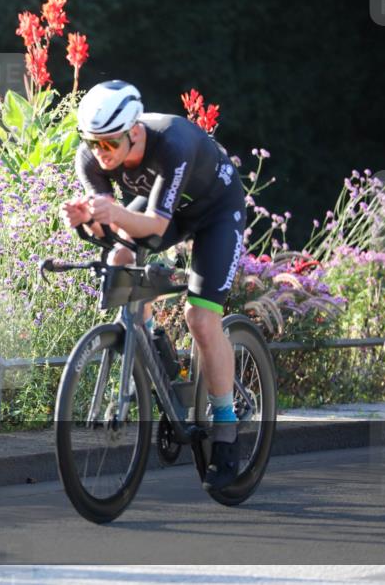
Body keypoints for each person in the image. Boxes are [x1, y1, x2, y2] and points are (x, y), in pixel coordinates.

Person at [59, 79, 247, 492]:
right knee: (120, 257)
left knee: (200, 318)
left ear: (135, 132)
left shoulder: (172, 142)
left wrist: (110, 214)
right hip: (167, 207)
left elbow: (156, 226)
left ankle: (226, 428)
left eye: (109, 144)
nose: (100, 155)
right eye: (93, 143)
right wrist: (86, 220)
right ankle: (153, 346)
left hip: (215, 210)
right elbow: (113, 228)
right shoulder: (90, 159)